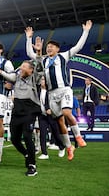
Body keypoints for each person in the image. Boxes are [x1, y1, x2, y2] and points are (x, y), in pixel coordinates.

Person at [25, 21, 91, 161]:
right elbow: (30, 54)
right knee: (60, 122)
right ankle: (68, 147)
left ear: (57, 49)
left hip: (64, 90)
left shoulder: (63, 56)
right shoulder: (43, 60)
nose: (48, 48)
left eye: (51, 47)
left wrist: (85, 31)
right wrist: (29, 38)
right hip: (51, 94)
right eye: (47, 47)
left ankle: (78, 137)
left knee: (67, 112)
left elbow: (78, 46)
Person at [3, 60, 42, 176]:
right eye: (21, 65)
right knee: (14, 139)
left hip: (30, 111)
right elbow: (8, 78)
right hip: (17, 112)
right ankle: (26, 154)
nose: (21, 68)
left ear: (31, 70)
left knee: (27, 136)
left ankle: (32, 165)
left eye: (24, 66)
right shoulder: (17, 78)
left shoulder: (34, 79)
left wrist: (39, 53)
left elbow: (39, 68)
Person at [37, 76, 65, 160]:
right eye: (41, 79)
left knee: (56, 132)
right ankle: (44, 153)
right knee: (42, 134)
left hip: (51, 115)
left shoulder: (51, 91)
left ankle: (61, 147)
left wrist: (50, 109)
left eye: (44, 80)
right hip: (41, 115)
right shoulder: (37, 91)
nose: (42, 81)